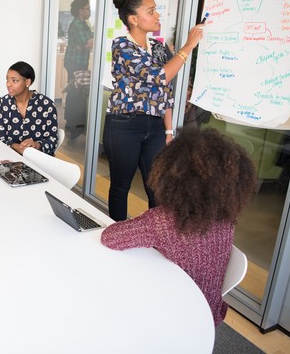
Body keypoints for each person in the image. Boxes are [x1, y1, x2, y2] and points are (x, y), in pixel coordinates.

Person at [100, 128, 256, 327]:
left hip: (171, 318)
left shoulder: (162, 220)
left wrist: (145, 221)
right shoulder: (225, 220)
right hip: (209, 315)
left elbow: (110, 237)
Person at [103, 0, 205, 221]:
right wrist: (188, 45)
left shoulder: (158, 47)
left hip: (156, 126)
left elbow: (164, 91)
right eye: (151, 11)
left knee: (157, 188)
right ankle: (117, 234)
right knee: (121, 185)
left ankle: (156, 237)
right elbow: (160, 77)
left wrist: (168, 130)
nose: (157, 15)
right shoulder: (123, 47)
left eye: (156, 10)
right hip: (124, 124)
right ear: (133, 19)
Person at [0, 61, 59, 156]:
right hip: (10, 159)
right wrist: (17, 147)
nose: (8, 84)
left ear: (27, 82)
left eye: (14, 80)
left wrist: (36, 145)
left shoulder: (46, 105)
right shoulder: (0, 105)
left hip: (39, 160)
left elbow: (52, 140)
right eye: (7, 79)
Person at [63, 0, 94, 141]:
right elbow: (88, 43)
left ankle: (72, 122)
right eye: (87, 8)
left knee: (76, 90)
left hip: (80, 61)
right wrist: (89, 42)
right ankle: (71, 122)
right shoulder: (76, 25)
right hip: (74, 62)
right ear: (80, 10)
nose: (89, 11)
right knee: (74, 90)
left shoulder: (84, 24)